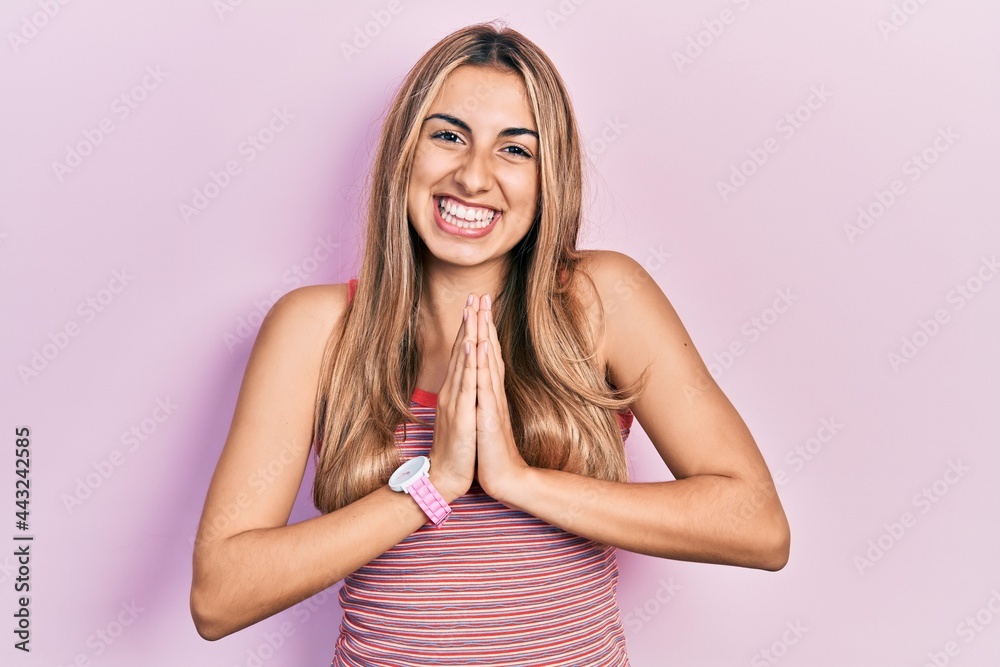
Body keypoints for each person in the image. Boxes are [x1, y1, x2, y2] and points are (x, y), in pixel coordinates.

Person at [190, 21, 790, 666]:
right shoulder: (316, 330)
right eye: (448, 136)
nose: (474, 178)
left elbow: (756, 526)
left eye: (515, 150)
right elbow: (220, 596)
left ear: (547, 177)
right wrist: (433, 486)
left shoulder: (601, 299)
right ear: (405, 153)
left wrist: (517, 479)